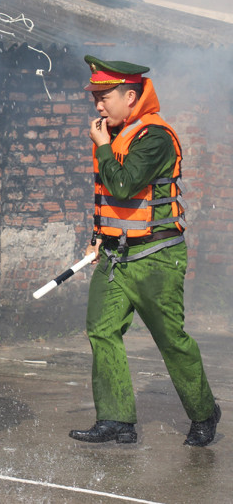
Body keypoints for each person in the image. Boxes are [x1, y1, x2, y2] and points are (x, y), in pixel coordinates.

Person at [69, 56, 220, 447]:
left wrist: (102, 148)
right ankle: (116, 419)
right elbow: (108, 197)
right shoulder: (116, 136)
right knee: (101, 330)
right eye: (95, 99)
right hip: (117, 255)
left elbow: (123, 183)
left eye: (104, 98)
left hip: (156, 256)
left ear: (131, 95)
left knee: (170, 338)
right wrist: (98, 234)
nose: (98, 106)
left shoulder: (154, 136)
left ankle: (205, 412)